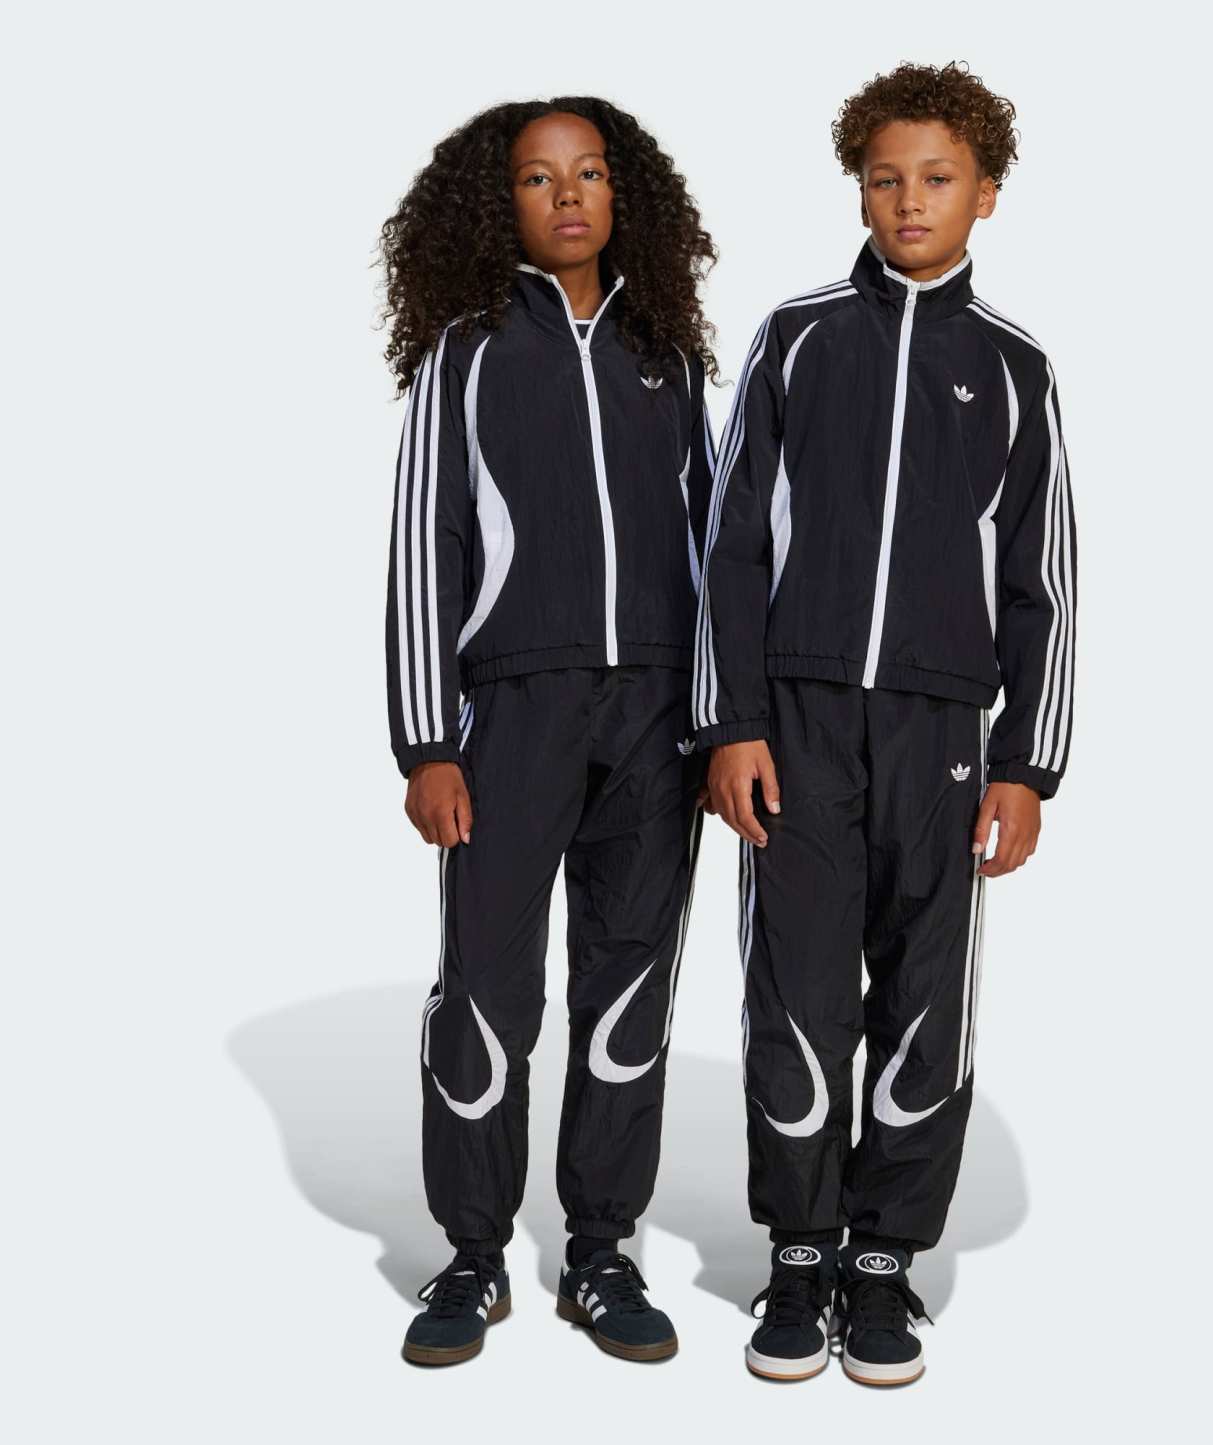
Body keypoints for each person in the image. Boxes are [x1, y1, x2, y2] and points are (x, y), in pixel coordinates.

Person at [695, 60, 1077, 1386]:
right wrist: (730, 722)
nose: (909, 201)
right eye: (884, 179)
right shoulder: (797, 338)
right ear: (857, 189)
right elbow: (730, 545)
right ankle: (799, 1248)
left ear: (985, 193)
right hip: (795, 721)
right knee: (795, 987)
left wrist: (1026, 764)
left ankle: (881, 1257)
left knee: (926, 992)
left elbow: (1040, 581)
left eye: (937, 178)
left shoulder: (1013, 369)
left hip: (943, 732)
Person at [379, 96, 718, 1366]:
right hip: (512, 711)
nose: (566, 195)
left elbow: (713, 544)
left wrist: (718, 719)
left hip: (657, 719)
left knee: (629, 985)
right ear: (500, 202)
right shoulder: (466, 352)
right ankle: (471, 1253)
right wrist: (427, 741)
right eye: (536, 177)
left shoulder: (664, 353)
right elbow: (425, 543)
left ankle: (599, 1248)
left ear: (623, 192)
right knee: (487, 987)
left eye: (587, 173)